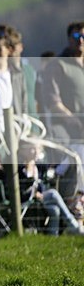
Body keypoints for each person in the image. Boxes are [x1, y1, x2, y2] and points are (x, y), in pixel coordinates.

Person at [41, 21, 84, 197]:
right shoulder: (58, 65)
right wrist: (74, 121)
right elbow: (53, 102)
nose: (81, 40)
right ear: (68, 39)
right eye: (76, 36)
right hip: (67, 132)